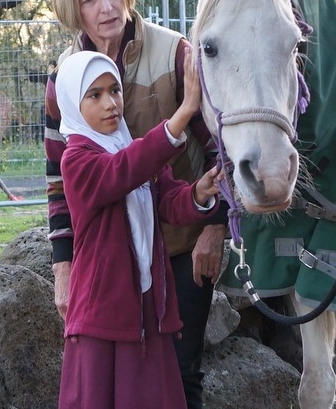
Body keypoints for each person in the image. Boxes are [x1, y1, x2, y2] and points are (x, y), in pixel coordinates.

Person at [45, 0, 227, 408]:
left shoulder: (175, 53)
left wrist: (215, 222)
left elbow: (218, 149)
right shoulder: (65, 81)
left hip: (183, 246)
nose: (106, 7)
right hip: (112, 264)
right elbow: (62, 182)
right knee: (114, 385)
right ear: (73, 11)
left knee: (178, 374)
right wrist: (63, 265)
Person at [55, 50, 220, 408]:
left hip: (146, 304)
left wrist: (199, 193)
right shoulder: (77, 158)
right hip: (103, 314)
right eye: (94, 95)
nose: (110, 103)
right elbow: (123, 171)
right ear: (72, 102)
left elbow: (168, 200)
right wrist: (182, 115)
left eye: (114, 90)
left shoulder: (129, 145)